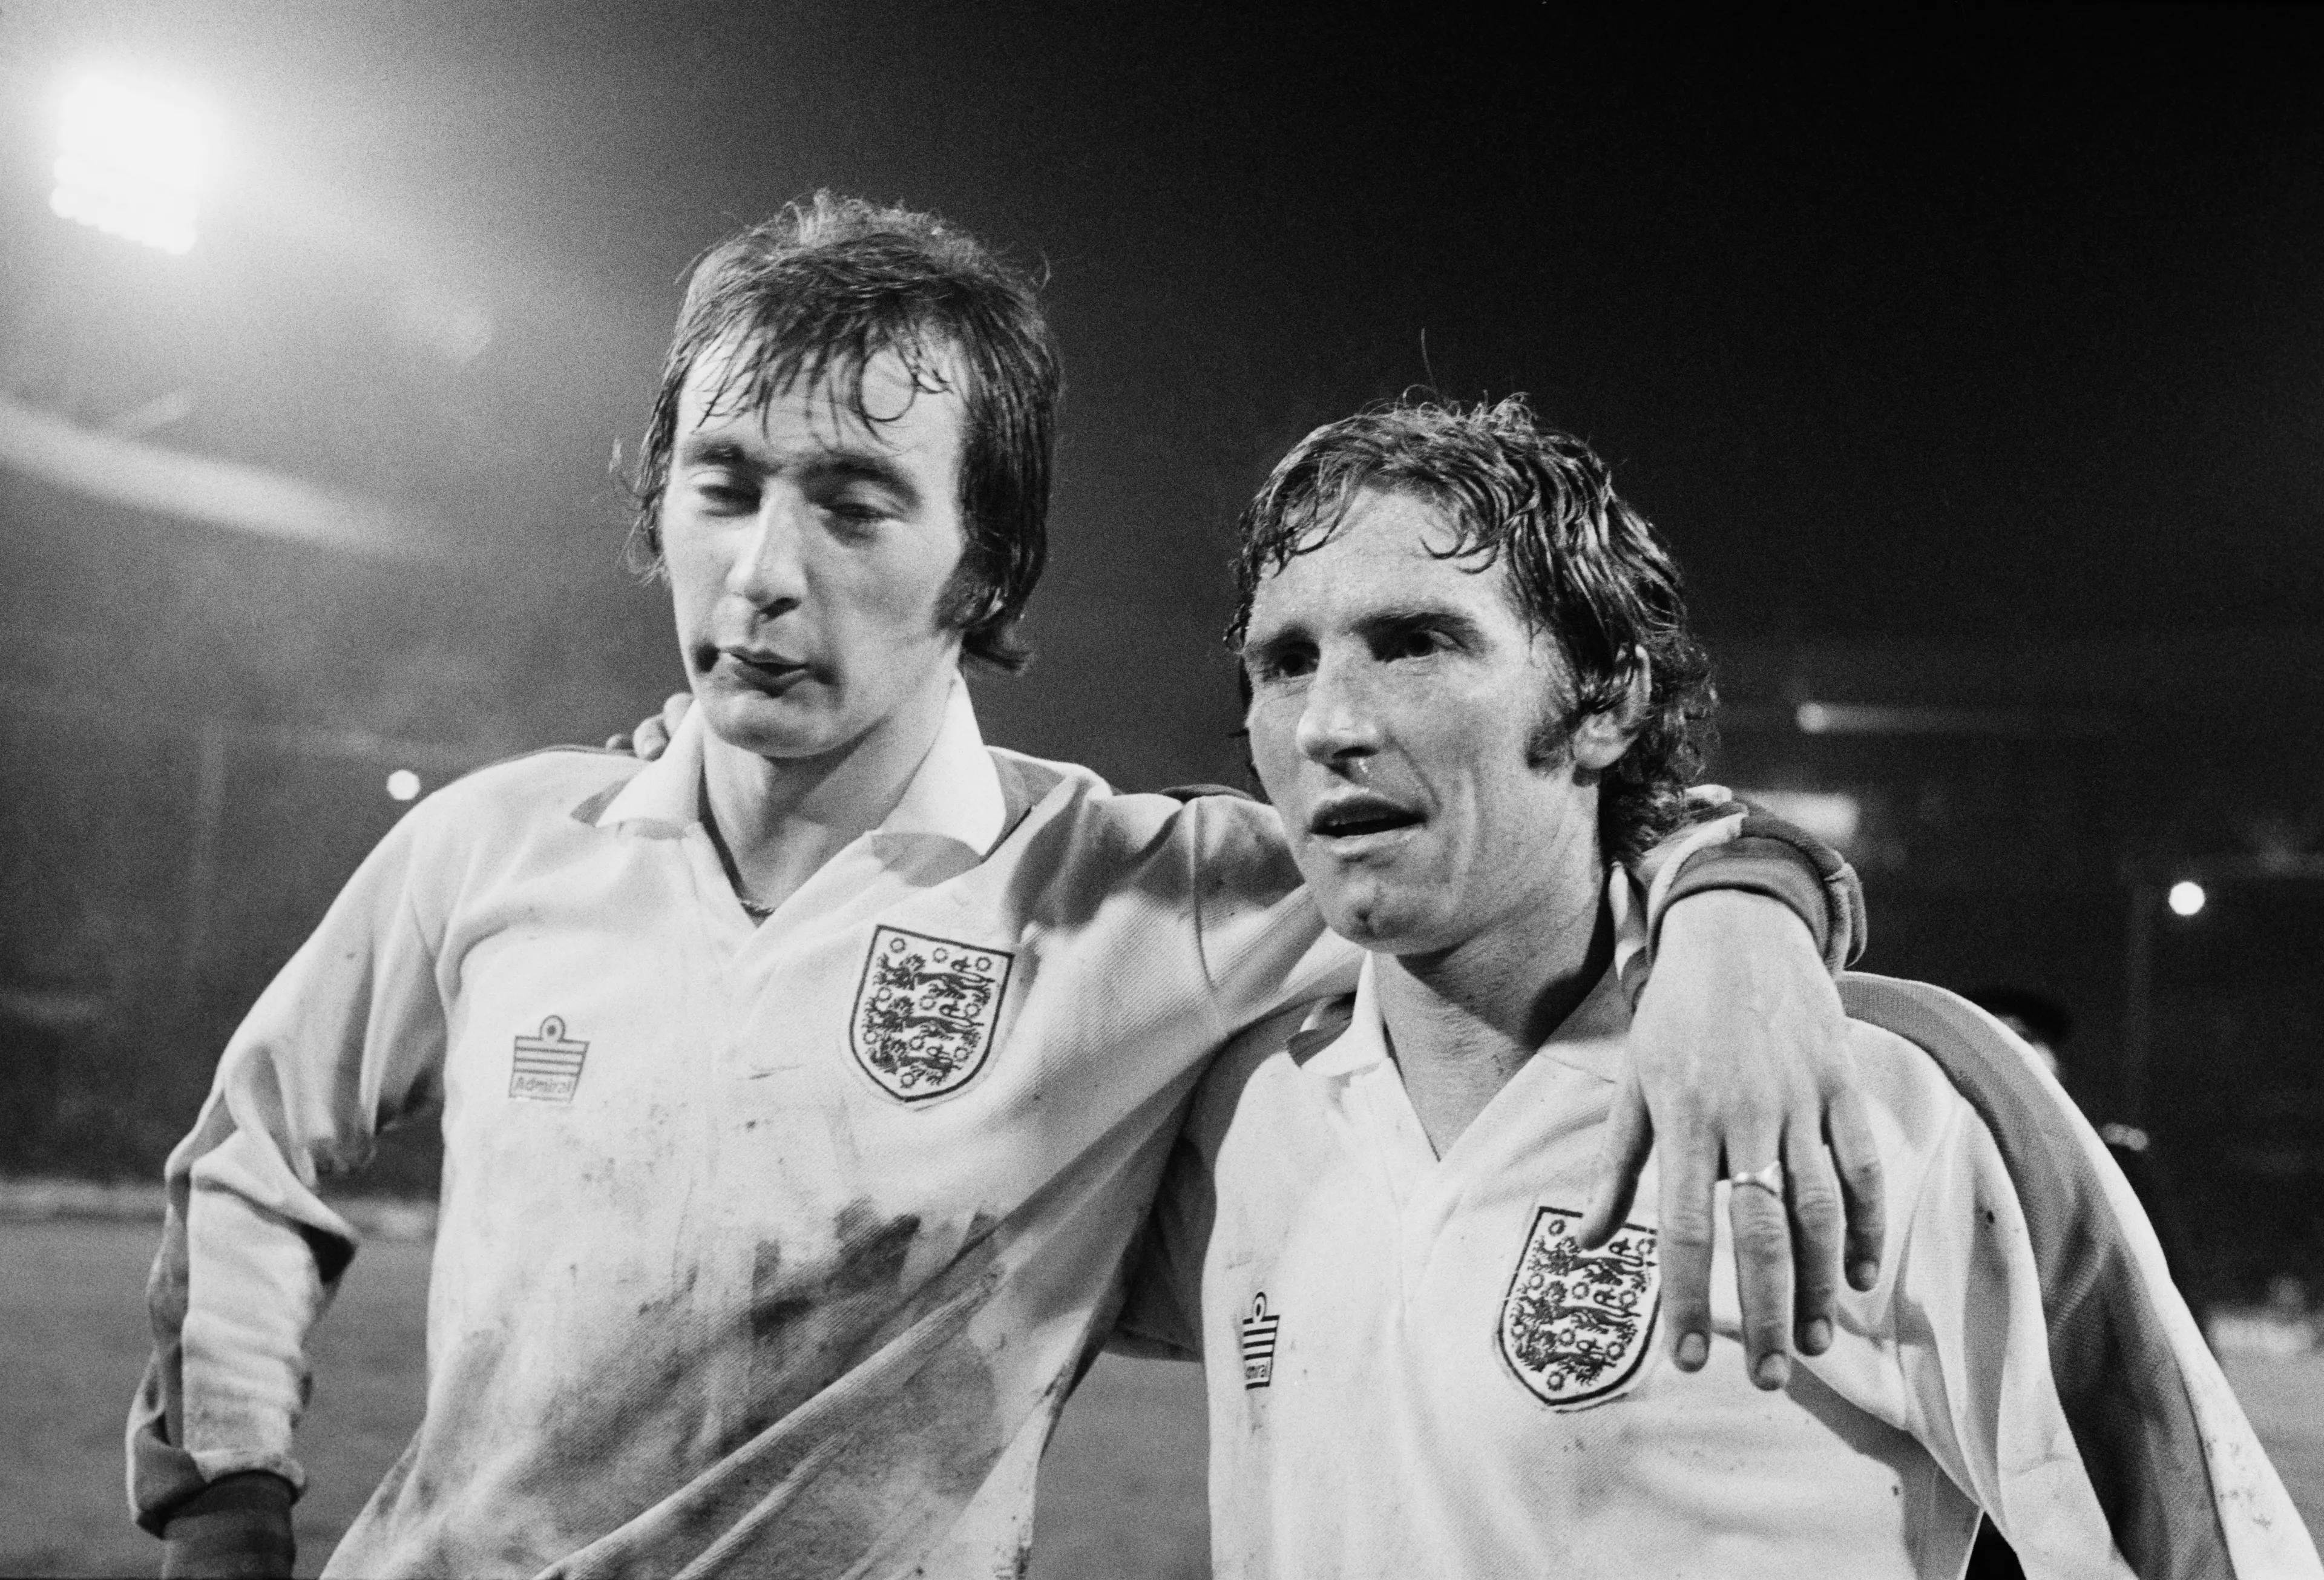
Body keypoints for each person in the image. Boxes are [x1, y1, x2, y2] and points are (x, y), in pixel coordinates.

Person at [132, 196, 1876, 1578]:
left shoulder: (1140, 893)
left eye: (857, 504)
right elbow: (252, 1158)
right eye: (723, 488)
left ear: (989, 563)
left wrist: (1746, 908)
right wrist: (226, 1516)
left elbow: (1523, 812)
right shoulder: (495, 848)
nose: (763, 571)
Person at [1118, 397, 2317, 1578]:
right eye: (1284, 662)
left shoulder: (1900, 1099)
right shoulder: (1237, 1117)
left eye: (1416, 643)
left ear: (1606, 704)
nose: (1328, 720)